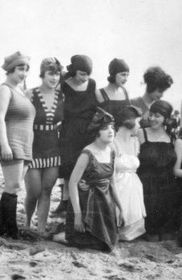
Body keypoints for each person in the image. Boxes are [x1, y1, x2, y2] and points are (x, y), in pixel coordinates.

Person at [65, 107, 125, 252]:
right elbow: (72, 183)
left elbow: (113, 183)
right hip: (86, 204)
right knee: (86, 243)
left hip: (104, 203)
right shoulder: (87, 153)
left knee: (107, 244)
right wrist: (78, 215)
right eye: (105, 128)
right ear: (96, 131)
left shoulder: (111, 152)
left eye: (112, 127)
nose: (111, 131)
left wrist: (120, 208)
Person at [0, 51, 36, 239]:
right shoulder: (4, 89)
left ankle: (4, 228)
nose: (24, 73)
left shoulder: (20, 90)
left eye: (26, 69)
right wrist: (5, 145)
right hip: (11, 142)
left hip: (25, 144)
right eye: (20, 68)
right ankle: (10, 230)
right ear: (10, 70)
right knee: (13, 185)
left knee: (15, 186)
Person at [24, 57, 64, 235]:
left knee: (47, 190)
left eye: (57, 74)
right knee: (34, 191)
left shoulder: (62, 95)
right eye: (50, 74)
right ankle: (27, 221)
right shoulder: (30, 94)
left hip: (53, 147)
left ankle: (40, 229)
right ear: (42, 74)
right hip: (33, 146)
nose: (54, 78)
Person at [56, 55, 97, 215]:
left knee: (84, 166)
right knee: (67, 165)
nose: (84, 77)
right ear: (73, 71)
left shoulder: (92, 84)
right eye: (81, 74)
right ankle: (64, 200)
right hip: (69, 129)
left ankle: (81, 201)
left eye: (87, 74)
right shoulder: (64, 84)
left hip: (87, 130)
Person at [137, 100, 178, 241]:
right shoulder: (141, 133)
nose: (153, 119)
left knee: (168, 236)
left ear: (166, 119)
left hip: (167, 187)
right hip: (147, 187)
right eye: (151, 114)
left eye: (158, 116)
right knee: (152, 237)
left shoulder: (172, 137)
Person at [112, 105, 146, 241]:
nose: (139, 126)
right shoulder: (112, 142)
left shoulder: (136, 142)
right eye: (138, 122)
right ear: (129, 122)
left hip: (134, 185)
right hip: (117, 183)